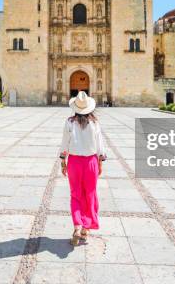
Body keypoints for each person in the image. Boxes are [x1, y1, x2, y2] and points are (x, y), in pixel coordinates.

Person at [58, 91, 107, 246]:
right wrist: (100, 162)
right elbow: (100, 146)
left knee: (75, 194)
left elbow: (64, 143)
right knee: (90, 194)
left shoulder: (69, 122)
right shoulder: (95, 123)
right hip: (91, 162)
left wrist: (63, 161)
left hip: (74, 163)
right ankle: (86, 227)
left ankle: (77, 227)